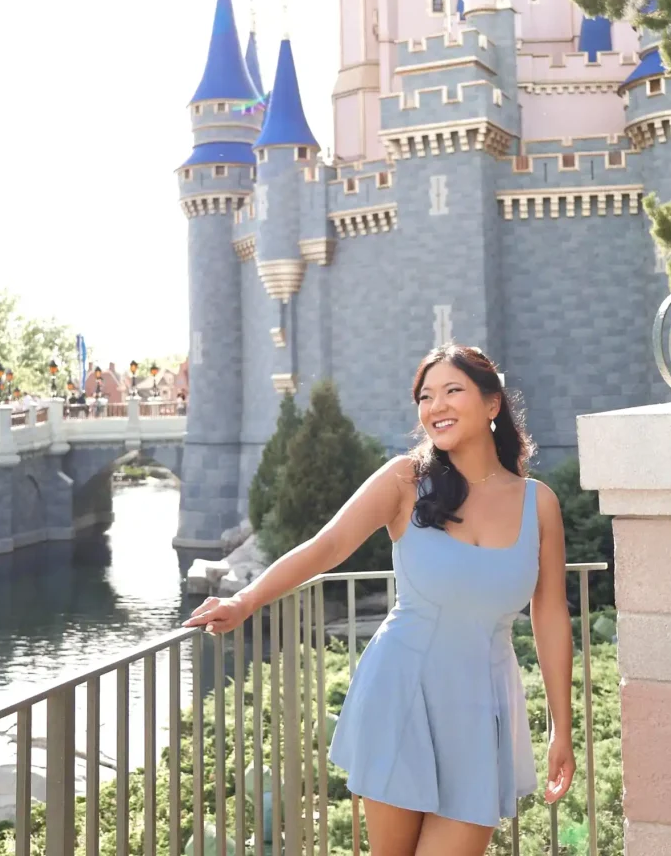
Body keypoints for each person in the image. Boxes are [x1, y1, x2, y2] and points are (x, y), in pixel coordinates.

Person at [184, 344, 576, 856]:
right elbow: (327, 546)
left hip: (484, 709)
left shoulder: (538, 502)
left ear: (492, 403)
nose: (436, 406)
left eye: (452, 391)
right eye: (425, 396)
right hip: (401, 694)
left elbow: (550, 615)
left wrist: (559, 727)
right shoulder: (406, 480)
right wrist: (247, 601)